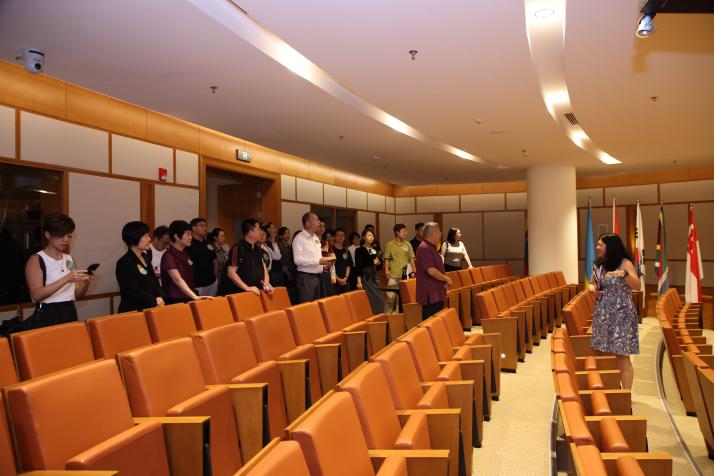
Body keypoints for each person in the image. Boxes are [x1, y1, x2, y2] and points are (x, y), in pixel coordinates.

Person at [19, 213, 93, 332]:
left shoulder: (69, 259)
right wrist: (66, 279)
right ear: (47, 234)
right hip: (47, 314)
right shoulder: (37, 259)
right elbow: (36, 295)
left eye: (69, 236)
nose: (66, 240)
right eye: (61, 235)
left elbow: (76, 294)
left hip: (69, 311)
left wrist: (85, 284)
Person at [590, 233, 640, 389]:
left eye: (600, 244)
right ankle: (612, 390)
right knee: (605, 354)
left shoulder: (625, 263)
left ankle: (625, 396)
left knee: (622, 356)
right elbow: (592, 284)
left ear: (610, 246)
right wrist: (592, 290)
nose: (597, 247)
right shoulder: (599, 265)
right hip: (603, 314)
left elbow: (637, 286)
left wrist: (625, 275)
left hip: (622, 315)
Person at [116, 221, 164, 312]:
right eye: (146, 236)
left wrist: (159, 296)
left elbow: (154, 279)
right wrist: (154, 301)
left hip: (151, 307)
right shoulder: (124, 262)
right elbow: (132, 291)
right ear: (135, 237)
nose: (149, 239)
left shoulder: (145, 256)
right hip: (134, 310)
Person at [220, 218, 273, 296]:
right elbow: (231, 273)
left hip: (257, 292)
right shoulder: (237, 248)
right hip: (241, 294)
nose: (261, 232)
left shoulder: (258, 250)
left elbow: (264, 269)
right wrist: (247, 288)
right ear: (250, 232)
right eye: (258, 229)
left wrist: (266, 284)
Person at [161, 220, 210, 304]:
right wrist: (194, 296)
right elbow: (177, 279)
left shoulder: (185, 252)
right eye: (187, 234)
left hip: (189, 295)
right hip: (176, 299)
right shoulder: (168, 255)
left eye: (191, 234)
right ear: (176, 236)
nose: (191, 237)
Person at [292, 212, 335, 303]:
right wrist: (318, 261)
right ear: (307, 223)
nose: (318, 222)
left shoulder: (315, 238)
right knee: (306, 307)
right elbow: (297, 260)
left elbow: (317, 257)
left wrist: (326, 262)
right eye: (316, 220)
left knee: (315, 306)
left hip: (318, 276)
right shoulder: (299, 238)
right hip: (306, 278)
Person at [416, 222, 451, 320]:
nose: (441, 234)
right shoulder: (424, 248)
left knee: (436, 322)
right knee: (430, 323)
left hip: (436, 293)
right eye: (439, 232)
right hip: (430, 295)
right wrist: (446, 278)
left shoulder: (431, 247)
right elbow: (431, 270)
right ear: (433, 233)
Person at [383, 224, 416, 313]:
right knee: (391, 298)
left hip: (405, 276)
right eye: (403, 231)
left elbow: (411, 259)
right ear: (397, 232)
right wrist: (386, 271)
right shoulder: (389, 244)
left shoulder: (408, 244)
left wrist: (414, 271)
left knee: (403, 299)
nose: (406, 233)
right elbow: (387, 259)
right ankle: (387, 317)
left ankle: (399, 317)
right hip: (393, 275)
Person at [355, 229, 385, 314]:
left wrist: (379, 263)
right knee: (370, 299)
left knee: (379, 298)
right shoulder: (359, 250)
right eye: (369, 235)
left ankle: (380, 316)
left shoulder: (375, 249)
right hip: (366, 278)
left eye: (372, 236)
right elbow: (358, 267)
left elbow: (379, 266)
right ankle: (374, 317)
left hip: (375, 277)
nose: (371, 237)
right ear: (363, 237)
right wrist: (359, 281)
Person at [187, 218, 218, 296]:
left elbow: (214, 260)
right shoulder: (188, 244)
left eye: (206, 226)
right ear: (193, 228)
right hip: (197, 284)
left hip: (212, 282)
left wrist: (215, 276)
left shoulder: (209, 244)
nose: (205, 228)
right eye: (202, 226)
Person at [261, 222, 284, 287]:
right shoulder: (264, 245)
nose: (275, 229)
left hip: (274, 270)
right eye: (272, 228)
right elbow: (273, 258)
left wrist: (273, 242)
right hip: (270, 272)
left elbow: (278, 257)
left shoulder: (271, 243)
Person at [332, 228, 353, 295]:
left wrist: (346, 277)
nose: (340, 237)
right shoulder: (331, 250)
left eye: (342, 235)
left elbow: (348, 265)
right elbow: (330, 267)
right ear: (334, 237)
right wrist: (338, 279)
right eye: (338, 235)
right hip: (334, 281)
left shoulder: (346, 250)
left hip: (345, 281)